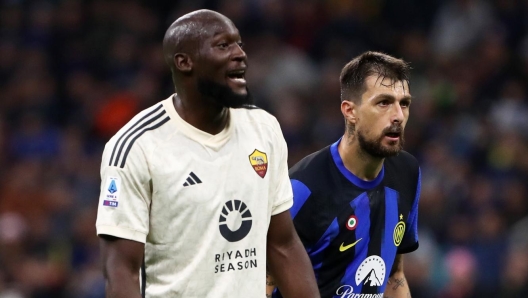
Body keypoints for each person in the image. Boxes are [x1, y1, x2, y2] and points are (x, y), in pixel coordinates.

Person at [95, 9, 319, 298]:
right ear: (184, 62)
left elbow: (282, 245)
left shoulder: (264, 128)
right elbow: (121, 271)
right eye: (223, 45)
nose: (240, 54)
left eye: (239, 44)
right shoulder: (137, 146)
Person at [270, 51, 421, 298]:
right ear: (350, 111)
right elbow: (263, 282)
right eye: (383, 102)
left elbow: (395, 275)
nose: (398, 116)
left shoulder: (407, 172)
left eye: (404, 103)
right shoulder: (302, 189)